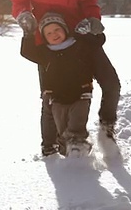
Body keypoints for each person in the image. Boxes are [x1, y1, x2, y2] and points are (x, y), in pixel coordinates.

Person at [10, 0, 121, 156]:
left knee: (111, 83)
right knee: (50, 97)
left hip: (80, 37)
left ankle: (107, 130)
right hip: (49, 41)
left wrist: (93, 20)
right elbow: (18, 3)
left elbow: (88, 0)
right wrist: (24, 16)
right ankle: (51, 147)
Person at [20, 12, 104, 157]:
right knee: (62, 127)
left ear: (65, 29)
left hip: (81, 94)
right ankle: (66, 149)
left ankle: (78, 145)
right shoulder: (45, 53)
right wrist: (29, 33)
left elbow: (98, 41)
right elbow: (26, 52)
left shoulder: (78, 45)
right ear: (45, 37)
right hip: (58, 98)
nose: (54, 34)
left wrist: (92, 28)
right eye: (49, 33)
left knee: (77, 123)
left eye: (57, 29)